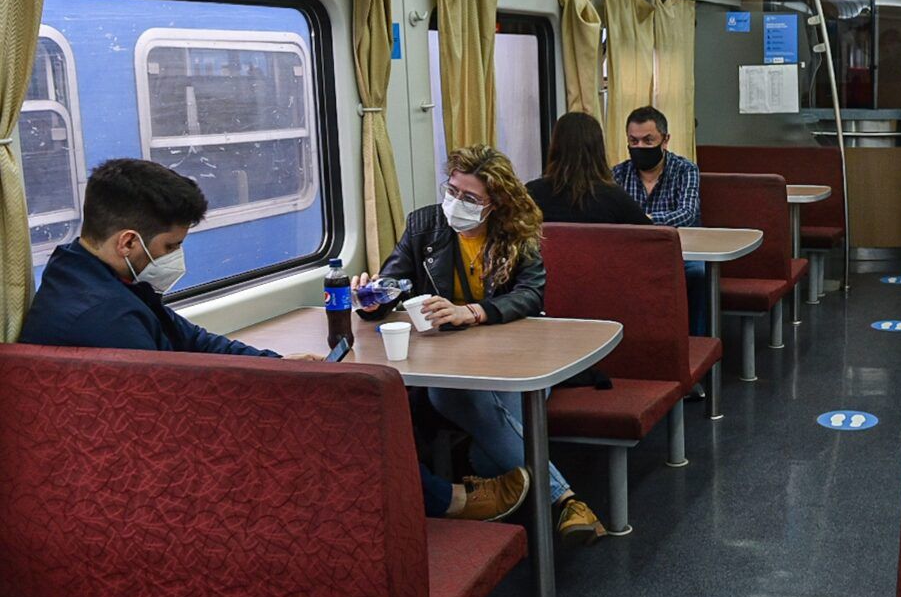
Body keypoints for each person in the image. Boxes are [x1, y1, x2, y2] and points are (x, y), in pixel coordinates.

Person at [19, 158, 527, 521]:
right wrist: (275, 389)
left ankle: (423, 499)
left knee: (333, 393)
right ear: (128, 241)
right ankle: (447, 503)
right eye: (170, 246)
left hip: (170, 415)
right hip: (160, 451)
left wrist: (276, 365)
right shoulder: (101, 318)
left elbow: (191, 340)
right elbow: (176, 402)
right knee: (344, 409)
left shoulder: (91, 274)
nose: (172, 259)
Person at [354, 144, 606, 544]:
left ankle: (501, 494)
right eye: (452, 191)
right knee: (458, 400)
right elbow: (391, 285)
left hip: (515, 355)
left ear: (495, 204)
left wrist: (472, 312)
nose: (455, 203)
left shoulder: (516, 231)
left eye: (469, 198)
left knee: (489, 445)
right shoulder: (424, 226)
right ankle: (566, 502)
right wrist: (368, 299)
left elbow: (530, 295)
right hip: (447, 362)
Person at [612, 105, 708, 336]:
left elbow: (687, 214)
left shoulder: (685, 170)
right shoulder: (617, 174)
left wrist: (643, 220)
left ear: (665, 140)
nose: (640, 147)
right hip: (633, 252)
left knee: (699, 275)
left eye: (648, 140)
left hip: (681, 252)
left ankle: (695, 344)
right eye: (633, 141)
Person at [529, 111, 652, 225]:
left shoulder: (532, 194)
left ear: (555, 147)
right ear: (598, 150)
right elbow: (651, 237)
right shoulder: (616, 198)